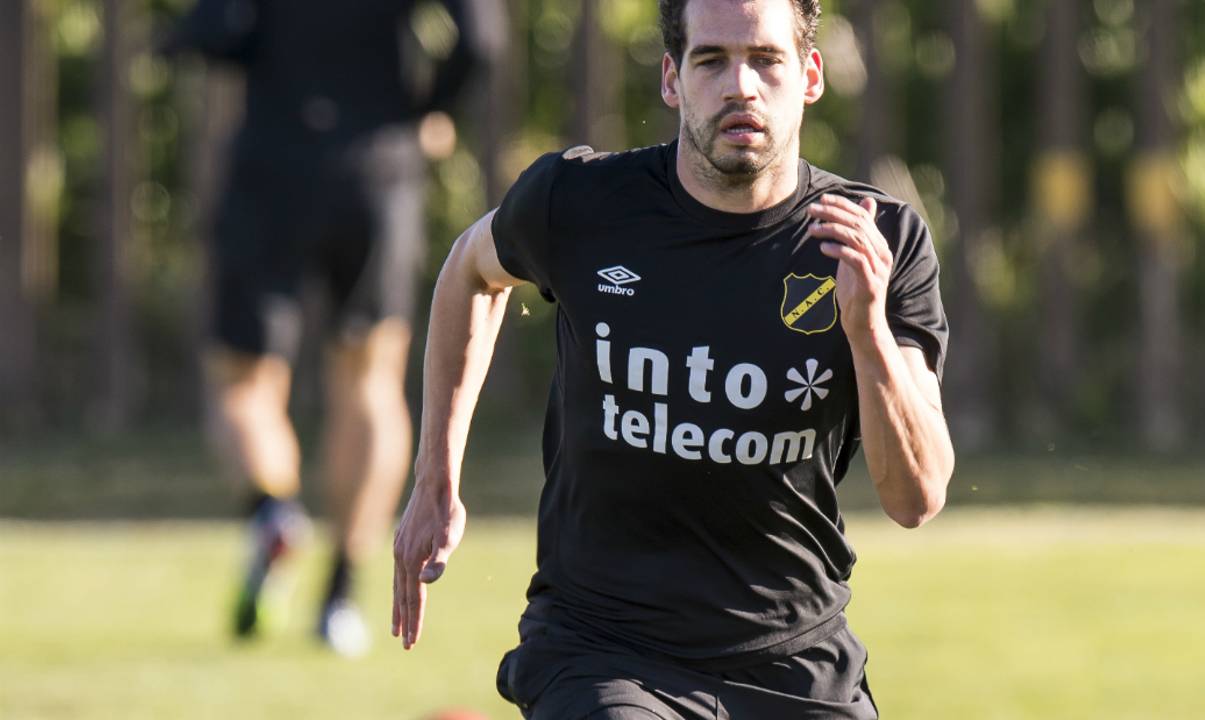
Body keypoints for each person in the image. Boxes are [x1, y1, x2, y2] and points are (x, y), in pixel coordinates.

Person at [393, 0, 954, 715]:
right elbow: (470, 270)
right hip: (602, 649)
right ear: (671, 78)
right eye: (711, 60)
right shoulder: (583, 202)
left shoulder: (878, 242)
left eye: (766, 60)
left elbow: (916, 498)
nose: (741, 86)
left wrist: (866, 330)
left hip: (794, 659)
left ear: (809, 76)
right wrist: (436, 477)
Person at [164, 0, 491, 656]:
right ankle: (339, 597)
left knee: (242, 381)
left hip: (271, 160)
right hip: (378, 166)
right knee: (369, 379)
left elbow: (208, 31)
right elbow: (481, 41)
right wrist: (429, 110)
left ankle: (271, 512)